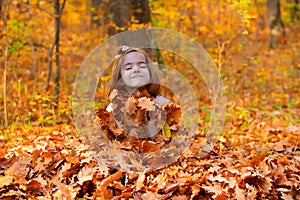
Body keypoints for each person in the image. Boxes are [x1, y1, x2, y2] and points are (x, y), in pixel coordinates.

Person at [105, 46, 171, 139]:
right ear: (120, 77)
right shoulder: (114, 108)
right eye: (128, 68)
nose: (136, 69)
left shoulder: (163, 103)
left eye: (142, 66)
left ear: (150, 72)